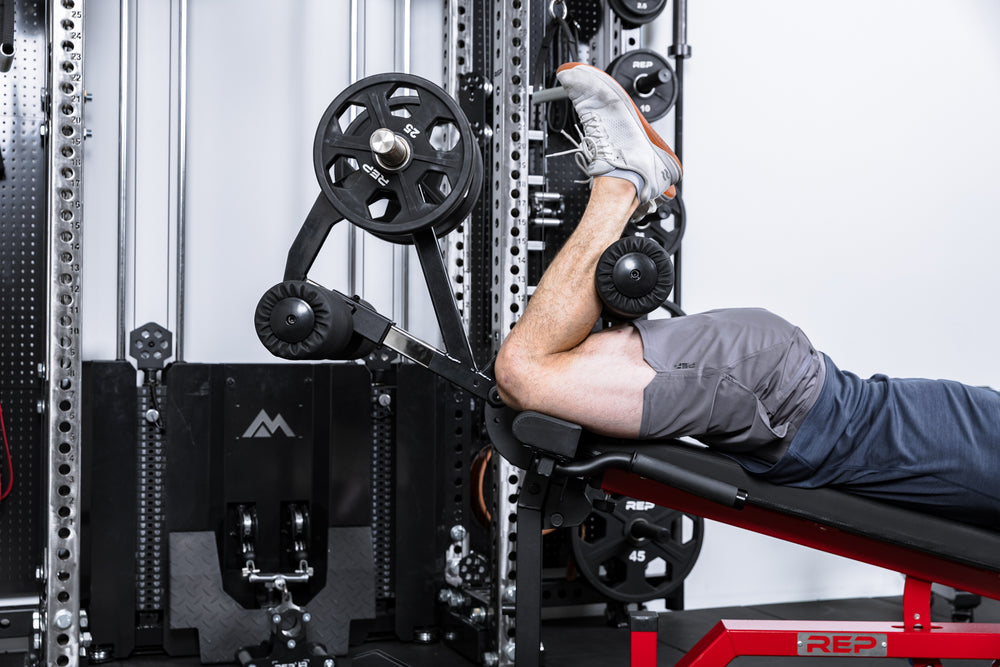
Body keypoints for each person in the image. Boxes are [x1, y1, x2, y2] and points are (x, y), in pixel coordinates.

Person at [494, 62, 1000, 528]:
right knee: (526, 372)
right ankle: (626, 177)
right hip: (766, 387)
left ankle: (636, 180)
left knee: (538, 373)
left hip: (770, 380)